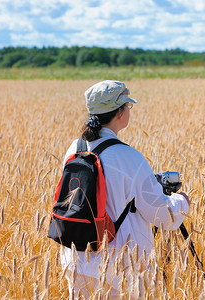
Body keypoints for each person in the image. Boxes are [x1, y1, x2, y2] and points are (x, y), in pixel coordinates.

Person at [59, 80, 190, 298]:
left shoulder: (76, 148)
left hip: (76, 260)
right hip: (118, 269)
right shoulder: (129, 157)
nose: (129, 111)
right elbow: (161, 214)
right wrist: (181, 201)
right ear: (119, 113)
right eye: (128, 106)